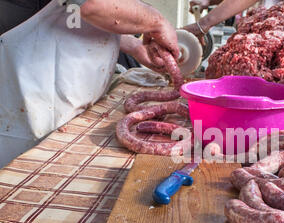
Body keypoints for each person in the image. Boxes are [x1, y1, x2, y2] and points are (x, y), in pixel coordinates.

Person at [0, 0, 179, 168]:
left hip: (70, 96)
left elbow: (75, 14)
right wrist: (157, 22)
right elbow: (91, 5)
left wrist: (133, 46)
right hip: (31, 92)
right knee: (24, 176)